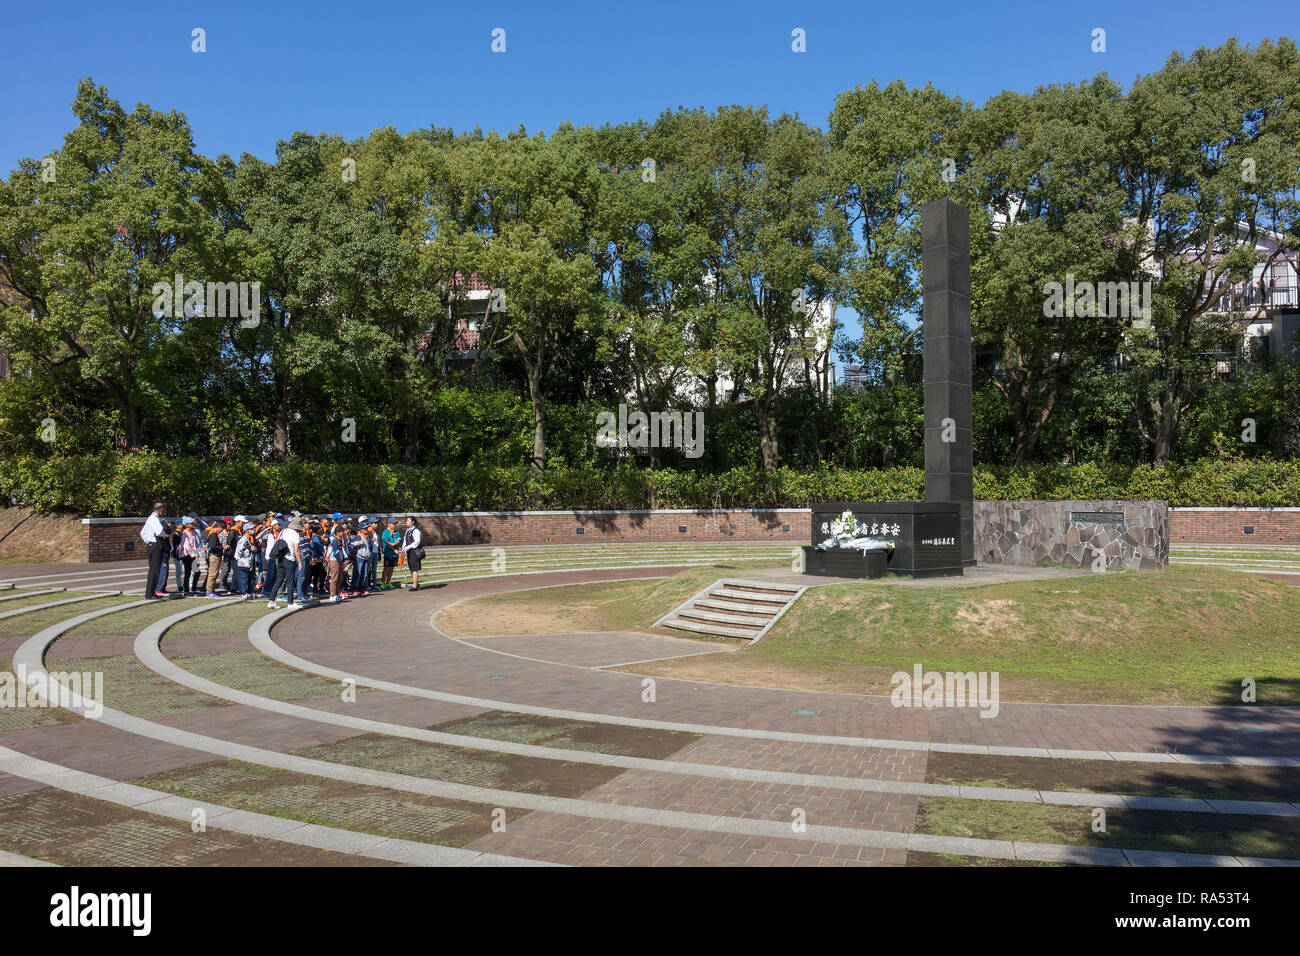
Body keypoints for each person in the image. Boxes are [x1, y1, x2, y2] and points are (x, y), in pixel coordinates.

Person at [141, 503, 167, 599]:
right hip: (155, 545)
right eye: (163, 511)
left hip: (153, 544)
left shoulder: (151, 519)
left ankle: (151, 592)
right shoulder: (154, 519)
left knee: (155, 570)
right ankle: (149, 593)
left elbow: (142, 532)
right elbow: (159, 531)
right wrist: (165, 534)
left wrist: (148, 541)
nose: (164, 513)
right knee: (154, 570)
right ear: (160, 510)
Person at [203, 519, 226, 597]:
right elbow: (213, 546)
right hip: (214, 556)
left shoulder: (215, 534)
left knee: (215, 574)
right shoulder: (213, 534)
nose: (222, 531)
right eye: (221, 529)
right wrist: (222, 547)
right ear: (219, 527)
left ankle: (212, 590)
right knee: (212, 574)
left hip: (217, 555)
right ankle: (209, 591)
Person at [401, 516, 424, 591]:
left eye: (408, 520)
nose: (407, 522)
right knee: (412, 568)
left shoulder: (416, 530)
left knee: (414, 569)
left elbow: (417, 541)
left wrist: (408, 547)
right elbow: (405, 539)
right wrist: (403, 546)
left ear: (413, 522)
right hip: (409, 552)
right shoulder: (407, 531)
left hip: (414, 551)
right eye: (406, 520)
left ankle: (414, 586)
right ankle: (416, 583)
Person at [380, 520, 401, 588]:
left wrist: (394, 544)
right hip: (388, 553)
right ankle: (383, 582)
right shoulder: (385, 532)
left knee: (392, 568)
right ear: (389, 524)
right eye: (393, 524)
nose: (394, 525)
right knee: (386, 568)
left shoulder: (396, 532)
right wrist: (394, 549)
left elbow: (398, 540)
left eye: (395, 524)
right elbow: (387, 542)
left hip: (395, 554)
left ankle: (388, 582)